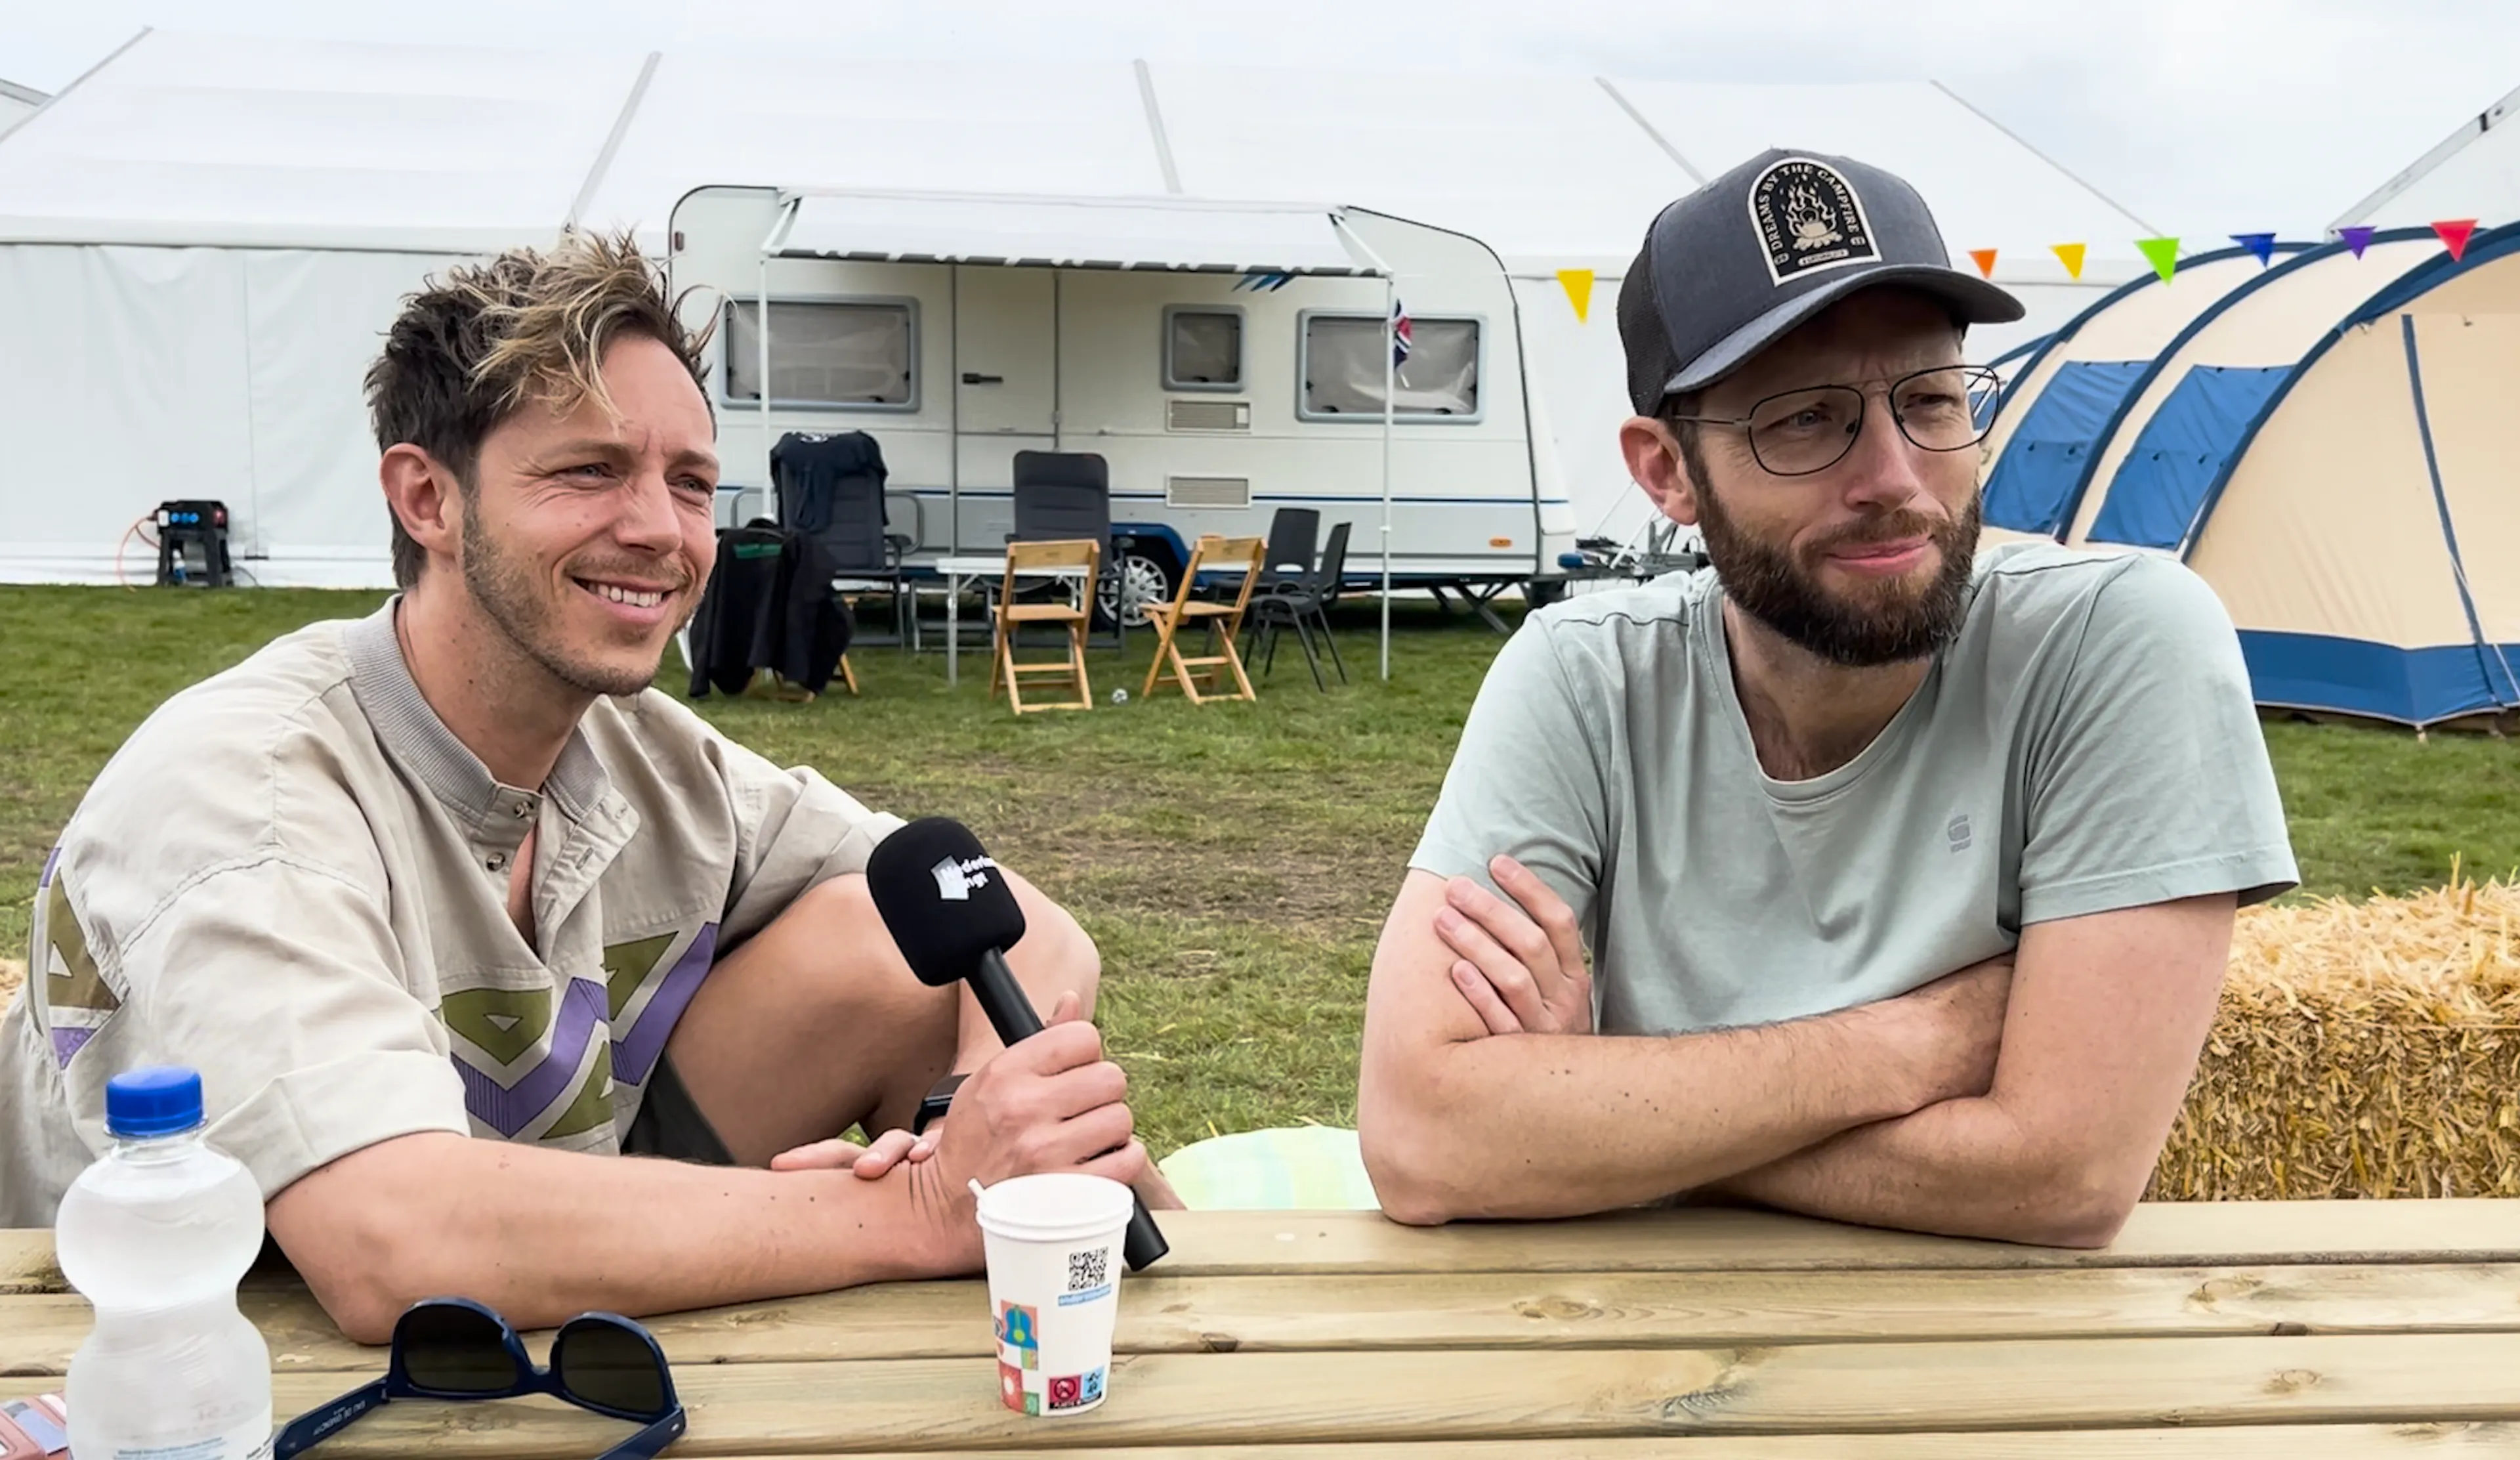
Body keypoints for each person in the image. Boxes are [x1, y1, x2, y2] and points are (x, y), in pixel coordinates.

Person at [0, 233, 1174, 1342]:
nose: (661, 531)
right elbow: (389, 1242)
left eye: (693, 482)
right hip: (141, 1347)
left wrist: (966, 1125)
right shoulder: (243, 786)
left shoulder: (646, 752)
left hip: (529, 1230)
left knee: (903, 963)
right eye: (589, 471)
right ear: (426, 500)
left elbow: (1021, 924)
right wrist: (918, 1212)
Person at [1356, 150, 2298, 1246]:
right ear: (1666, 473)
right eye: (1805, 419)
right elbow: (1424, 1140)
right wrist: (1922, 1042)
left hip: (2003, 1375)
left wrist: (1615, 1117)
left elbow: (2066, 1175)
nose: (1897, 478)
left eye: (1932, 401)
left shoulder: (2116, 640)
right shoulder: (1581, 677)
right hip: (1648, 1368)